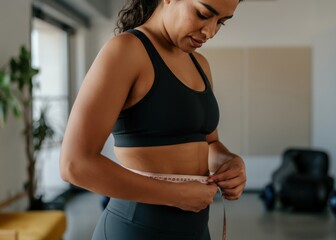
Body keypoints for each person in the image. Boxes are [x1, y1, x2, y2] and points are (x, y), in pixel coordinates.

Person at [60, 0, 246, 239]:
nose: (210, 31)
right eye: (202, 14)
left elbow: (210, 143)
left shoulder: (200, 65)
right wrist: (174, 194)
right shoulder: (126, 50)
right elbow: (74, 165)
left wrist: (230, 163)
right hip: (136, 229)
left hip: (196, 230)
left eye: (220, 22)